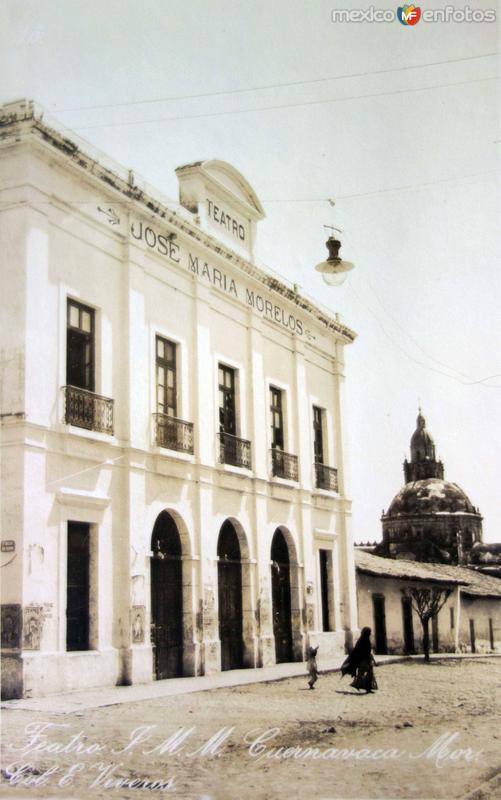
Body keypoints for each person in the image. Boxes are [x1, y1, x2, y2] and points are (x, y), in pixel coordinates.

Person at [340, 627, 378, 693]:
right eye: (369, 632)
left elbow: (368, 651)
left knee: (369, 674)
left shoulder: (366, 640)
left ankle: (367, 688)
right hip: (363, 660)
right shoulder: (361, 641)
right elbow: (358, 651)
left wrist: (372, 659)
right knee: (362, 674)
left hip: (367, 660)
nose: (370, 634)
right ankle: (357, 684)